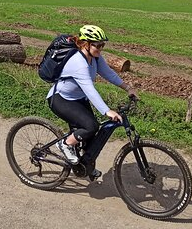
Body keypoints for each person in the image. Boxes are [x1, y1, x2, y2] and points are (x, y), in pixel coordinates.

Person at [47, 24, 137, 172]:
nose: (101, 49)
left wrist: (128, 88)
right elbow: (90, 90)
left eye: (103, 45)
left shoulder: (95, 57)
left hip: (79, 99)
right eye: (98, 45)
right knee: (91, 126)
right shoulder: (78, 62)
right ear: (86, 44)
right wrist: (107, 111)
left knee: (91, 134)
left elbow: (108, 73)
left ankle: (85, 166)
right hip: (61, 99)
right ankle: (65, 144)